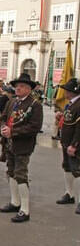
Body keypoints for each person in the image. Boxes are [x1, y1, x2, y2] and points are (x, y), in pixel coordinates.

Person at [0, 73, 43, 223]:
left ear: (29, 89)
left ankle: (25, 210)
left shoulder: (35, 105)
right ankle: (14, 202)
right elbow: (3, 117)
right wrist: (3, 127)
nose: (18, 88)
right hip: (9, 143)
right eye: (17, 85)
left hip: (23, 145)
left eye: (22, 86)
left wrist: (14, 132)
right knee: (11, 171)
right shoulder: (12, 102)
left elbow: (34, 127)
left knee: (21, 174)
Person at [55, 78, 80, 215]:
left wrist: (75, 145)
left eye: (66, 89)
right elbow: (70, 121)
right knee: (67, 168)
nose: (64, 91)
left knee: (78, 171)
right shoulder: (71, 104)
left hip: (74, 144)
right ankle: (69, 194)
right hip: (66, 142)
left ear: (72, 91)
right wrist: (61, 118)